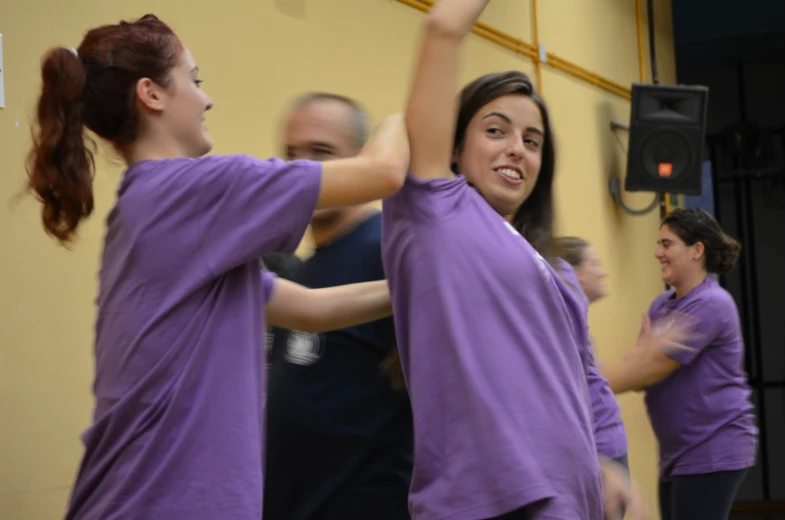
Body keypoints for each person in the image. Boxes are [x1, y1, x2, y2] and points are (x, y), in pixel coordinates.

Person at [25, 14, 409, 520]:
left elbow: (312, 310)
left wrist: (409, 287)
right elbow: (382, 172)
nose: (207, 99)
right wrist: (403, 118)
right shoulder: (188, 190)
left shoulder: (159, 211)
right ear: (152, 94)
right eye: (195, 79)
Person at [380, 1, 642, 518]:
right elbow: (442, 28)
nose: (517, 149)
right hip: (490, 501)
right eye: (495, 131)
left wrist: (609, 461)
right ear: (454, 147)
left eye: (532, 141)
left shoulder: (554, 268)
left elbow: (584, 378)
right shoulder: (435, 209)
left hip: (573, 496)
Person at [263, 93, 413, 520]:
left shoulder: (387, 252)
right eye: (292, 155)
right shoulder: (298, 270)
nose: (304, 170)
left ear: (361, 163)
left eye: (323, 153)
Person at [599, 209, 759, 520]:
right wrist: (638, 361)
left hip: (713, 446)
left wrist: (578, 390)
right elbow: (641, 372)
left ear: (697, 250)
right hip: (678, 452)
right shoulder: (661, 305)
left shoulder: (712, 304)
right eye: (658, 243)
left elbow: (648, 368)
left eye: (667, 244)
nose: (658, 252)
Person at [552, 237, 629, 471]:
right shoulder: (564, 322)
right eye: (595, 263)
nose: (603, 272)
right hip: (597, 447)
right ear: (576, 273)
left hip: (603, 443)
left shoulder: (578, 327)